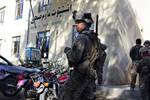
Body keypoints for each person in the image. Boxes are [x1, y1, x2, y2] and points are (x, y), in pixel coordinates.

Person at [58, 13, 99, 100]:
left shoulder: (81, 38)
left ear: (85, 24)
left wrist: (68, 51)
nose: (76, 24)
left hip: (80, 74)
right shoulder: (94, 38)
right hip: (90, 75)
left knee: (64, 95)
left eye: (79, 22)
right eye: (76, 22)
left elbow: (74, 58)